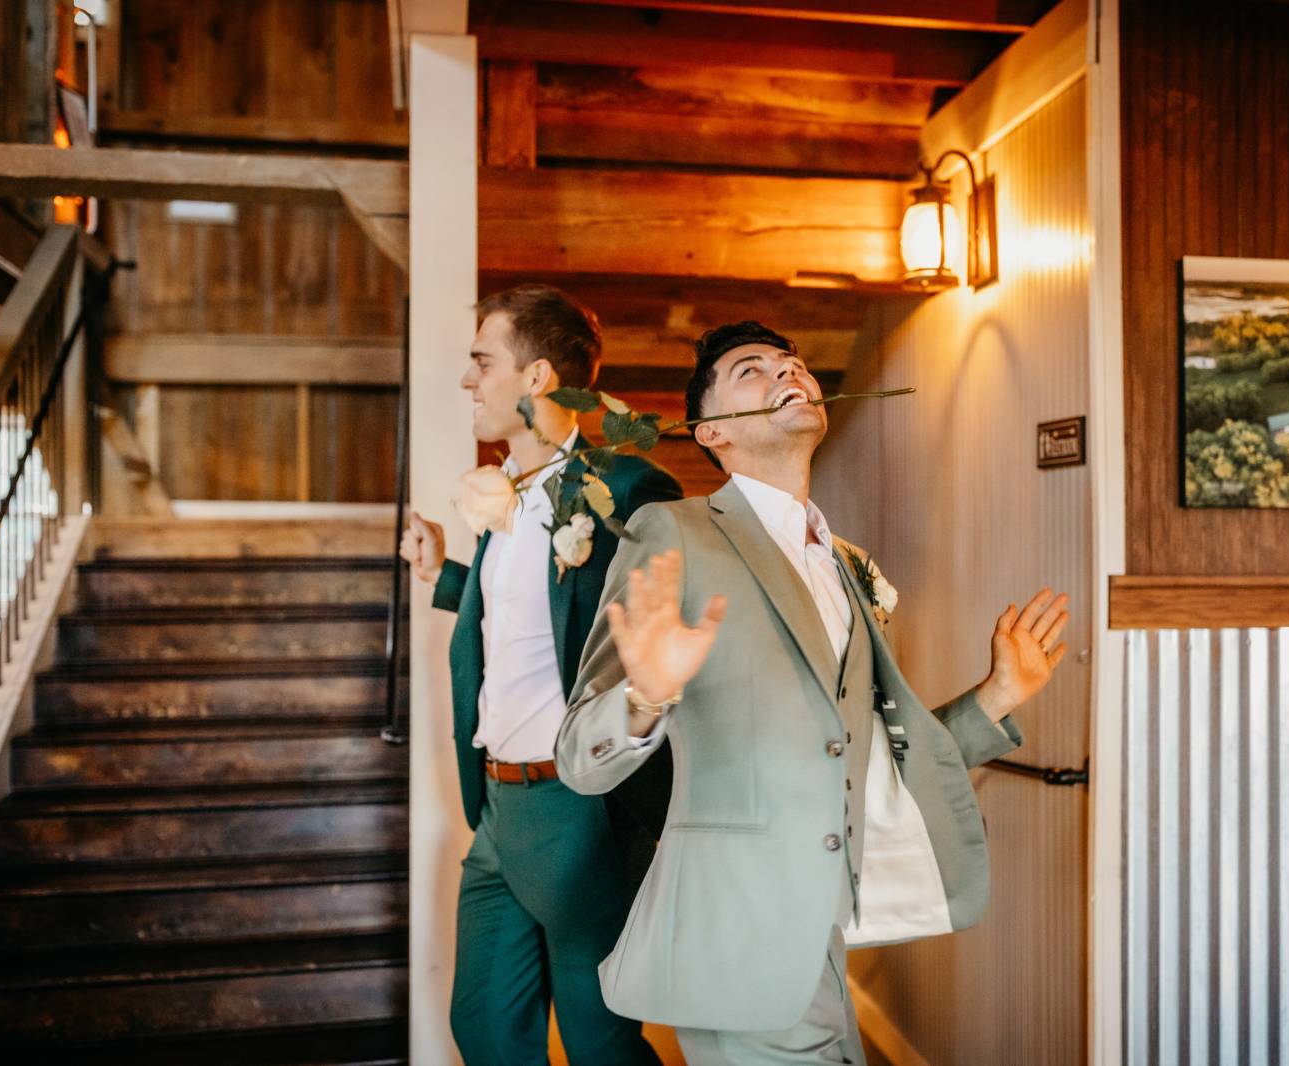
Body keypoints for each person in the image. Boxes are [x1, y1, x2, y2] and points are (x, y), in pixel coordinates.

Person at [554, 321, 1070, 1064]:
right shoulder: (672, 531)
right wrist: (644, 696)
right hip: (733, 934)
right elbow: (579, 756)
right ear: (712, 432)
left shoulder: (848, 563)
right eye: (751, 369)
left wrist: (996, 696)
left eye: (792, 363)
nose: (787, 372)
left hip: (823, 932)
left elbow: (865, 756)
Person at [400, 285, 677, 1065]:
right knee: (485, 1027)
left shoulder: (626, 493)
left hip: (576, 809)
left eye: (482, 361)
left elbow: (637, 631)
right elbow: (526, 622)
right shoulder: (503, 498)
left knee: (599, 1042)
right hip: (496, 806)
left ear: (537, 377)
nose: (468, 379)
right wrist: (445, 574)